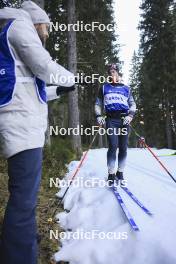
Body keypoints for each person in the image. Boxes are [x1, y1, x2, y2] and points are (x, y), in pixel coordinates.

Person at [0, 1, 75, 264]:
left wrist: (58, 90)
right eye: (47, 27)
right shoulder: (20, 26)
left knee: (24, 197)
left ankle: (24, 242)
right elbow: (44, 67)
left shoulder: (10, 31)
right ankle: (19, 255)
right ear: (37, 21)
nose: (47, 32)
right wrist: (72, 78)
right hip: (22, 127)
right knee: (23, 201)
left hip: (22, 124)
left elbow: (31, 87)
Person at [95, 64, 136, 184]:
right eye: (109, 72)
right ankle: (111, 173)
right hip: (111, 120)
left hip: (124, 119)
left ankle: (120, 172)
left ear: (118, 73)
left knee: (123, 147)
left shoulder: (126, 88)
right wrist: (98, 116)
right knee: (113, 145)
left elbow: (133, 104)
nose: (111, 73)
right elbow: (98, 104)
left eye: (113, 71)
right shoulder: (104, 88)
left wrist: (130, 115)